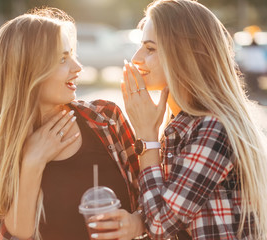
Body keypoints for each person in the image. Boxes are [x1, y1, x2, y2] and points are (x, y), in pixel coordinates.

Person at [90, 0, 267, 239]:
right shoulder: (179, 125)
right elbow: (170, 209)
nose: (136, 58)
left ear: (184, 56)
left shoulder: (213, 127)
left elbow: (161, 226)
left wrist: (147, 138)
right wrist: (136, 222)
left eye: (150, 49)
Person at [0, 8, 146, 240]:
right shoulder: (5, 147)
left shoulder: (107, 118)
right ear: (27, 70)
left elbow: (154, 201)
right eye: (62, 59)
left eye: (73, 55)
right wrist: (32, 163)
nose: (78, 68)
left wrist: (136, 224)